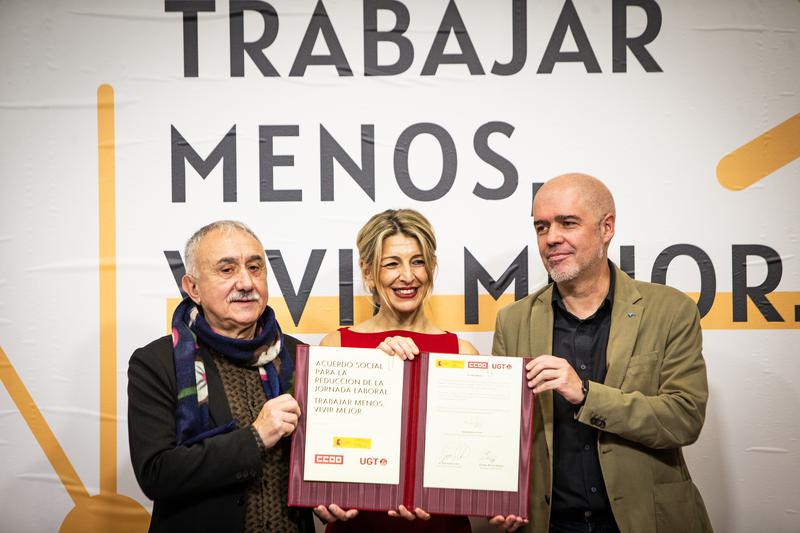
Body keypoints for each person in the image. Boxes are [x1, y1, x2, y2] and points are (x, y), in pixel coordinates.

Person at [490, 174, 712, 533]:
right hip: (550, 524)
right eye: (542, 227)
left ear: (607, 227)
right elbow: (501, 430)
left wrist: (587, 395)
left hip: (646, 521)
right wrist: (495, 495)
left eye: (568, 223)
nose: (551, 238)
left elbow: (684, 418)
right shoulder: (513, 321)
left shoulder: (670, 310)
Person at [127, 220, 316, 532]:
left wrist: (332, 500)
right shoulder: (157, 363)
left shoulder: (300, 357)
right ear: (193, 288)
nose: (245, 282)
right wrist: (255, 437)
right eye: (227, 270)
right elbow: (156, 473)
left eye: (255, 268)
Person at [315, 208, 477, 533]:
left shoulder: (461, 352)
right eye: (392, 263)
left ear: (432, 267)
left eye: (418, 261)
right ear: (369, 272)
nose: (408, 276)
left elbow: (473, 455)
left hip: (441, 525)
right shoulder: (336, 346)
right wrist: (371, 369)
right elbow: (323, 454)